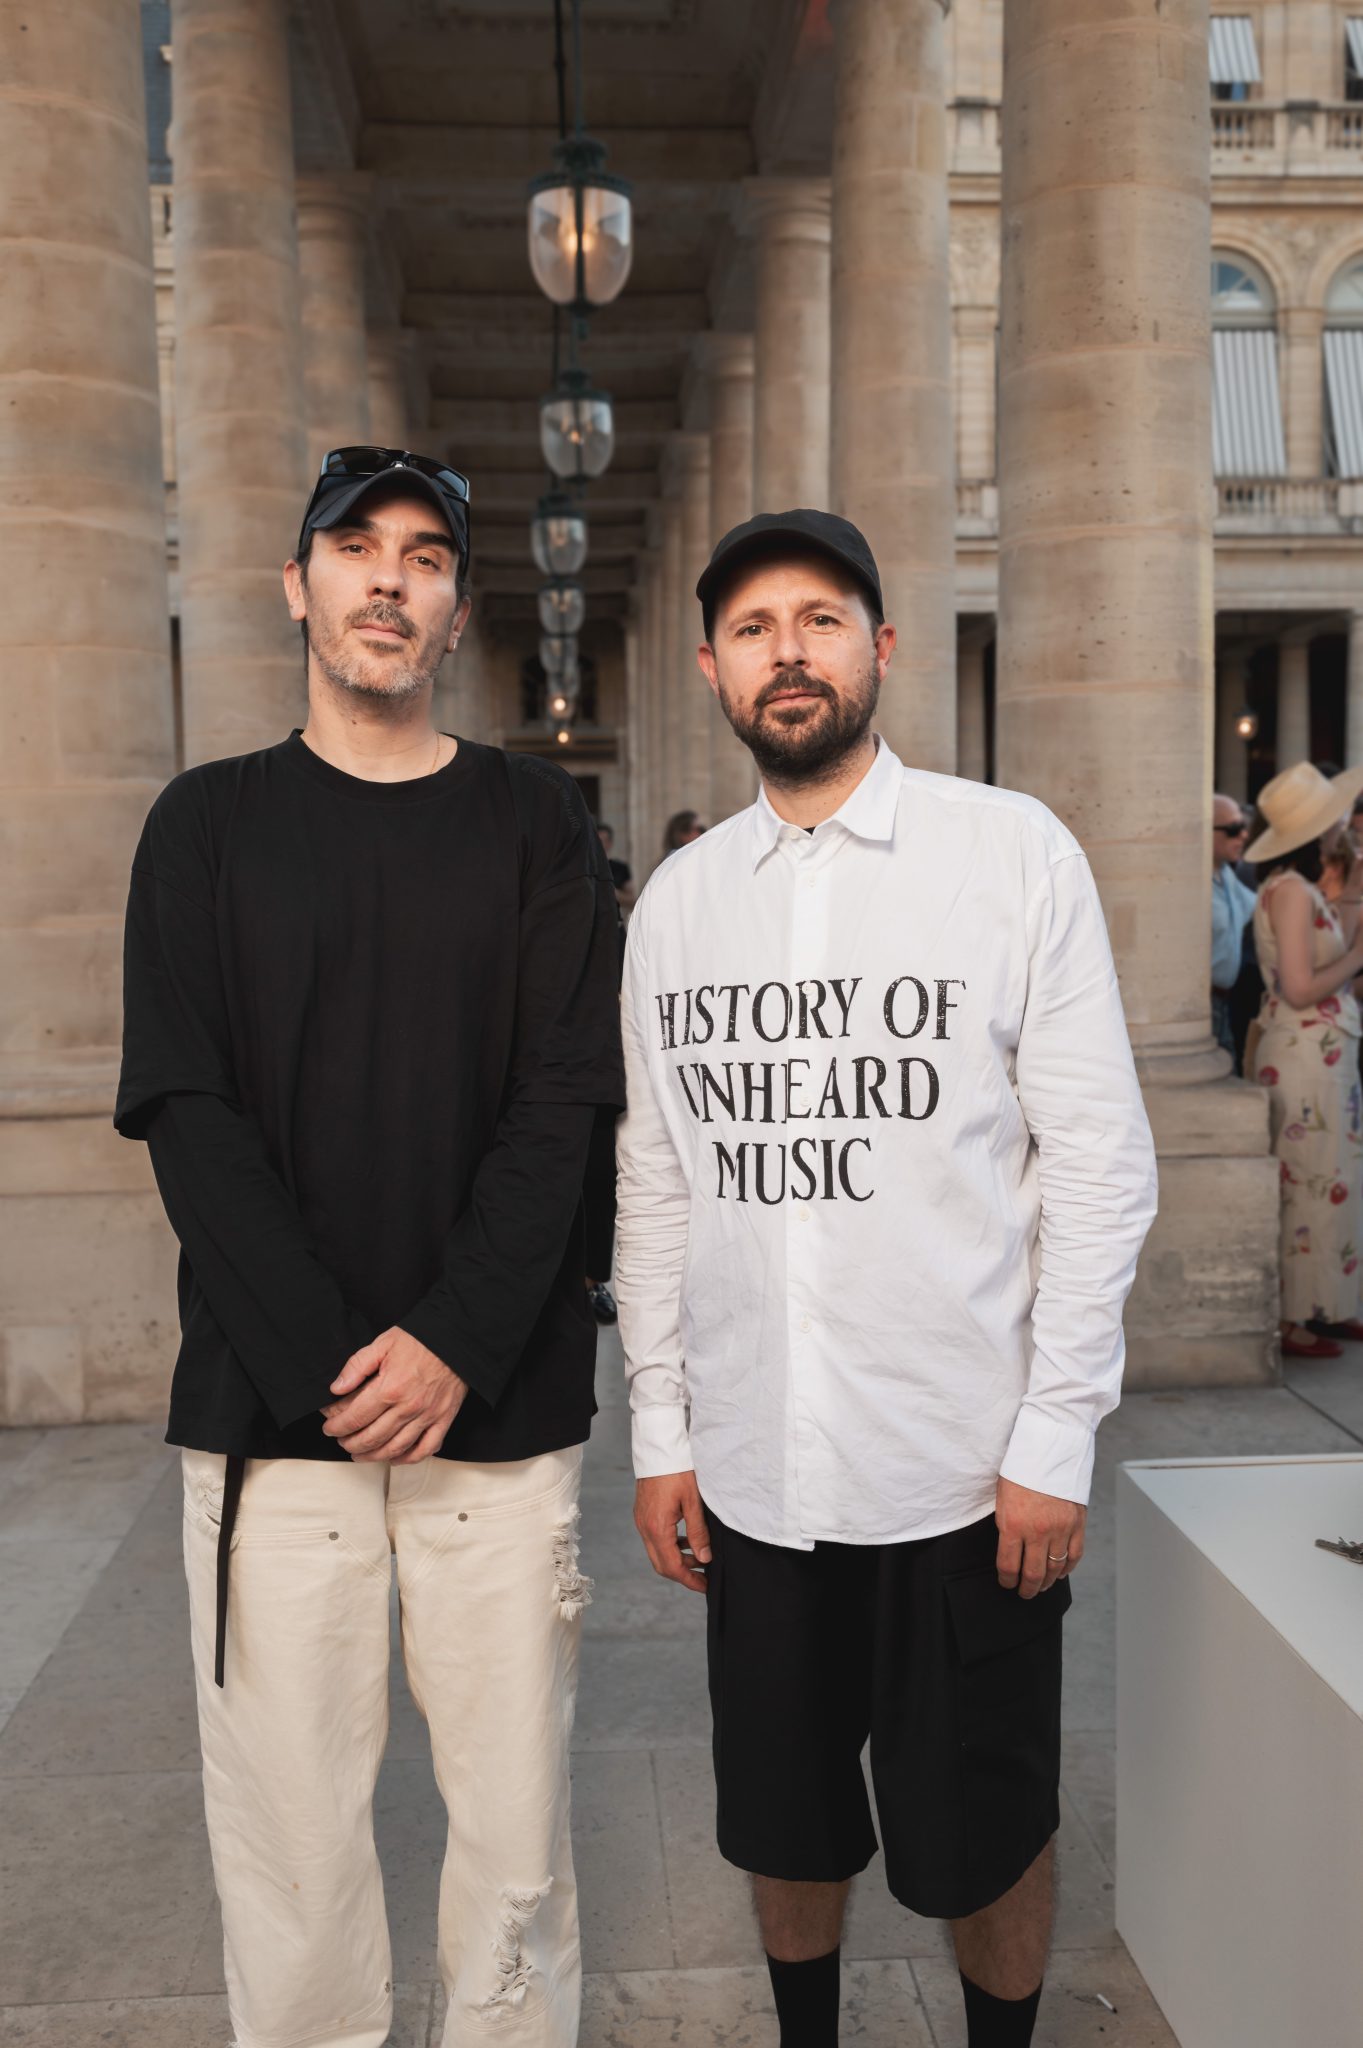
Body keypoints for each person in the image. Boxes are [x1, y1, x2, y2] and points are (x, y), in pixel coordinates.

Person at [615, 509, 1158, 2048]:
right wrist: (661, 1427)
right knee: (783, 1821)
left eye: (820, 618)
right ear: (711, 665)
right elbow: (655, 1179)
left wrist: (1053, 1437)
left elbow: (1097, 1166)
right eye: (750, 627)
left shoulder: (1007, 855)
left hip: (963, 1474)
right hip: (757, 1474)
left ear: (878, 647)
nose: (785, 650)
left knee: (985, 1823)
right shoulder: (678, 908)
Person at [115, 445, 625, 2048]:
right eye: (355, 548)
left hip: (498, 1423)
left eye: (420, 557)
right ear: (300, 586)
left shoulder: (536, 823)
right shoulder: (202, 828)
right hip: (278, 1429)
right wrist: (339, 1360)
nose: (386, 578)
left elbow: (565, 1101)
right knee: (289, 1856)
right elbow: (184, 1108)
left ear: (456, 609)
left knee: (515, 1849)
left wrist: (456, 1342)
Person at [1246, 759, 1363, 1360]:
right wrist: (1358, 957)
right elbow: (1298, 986)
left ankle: (1326, 1304)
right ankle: (1295, 1319)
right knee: (1308, 1184)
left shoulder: (1305, 886)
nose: (1347, 821)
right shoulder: (1290, 890)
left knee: (1332, 1179)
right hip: (1303, 1055)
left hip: (1324, 1055)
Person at [1211, 792, 1255, 1061]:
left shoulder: (1226, 873)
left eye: (1243, 827)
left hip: (1225, 1001)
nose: (1243, 836)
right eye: (1233, 829)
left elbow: (1259, 907)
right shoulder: (1191, 882)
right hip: (1201, 1003)